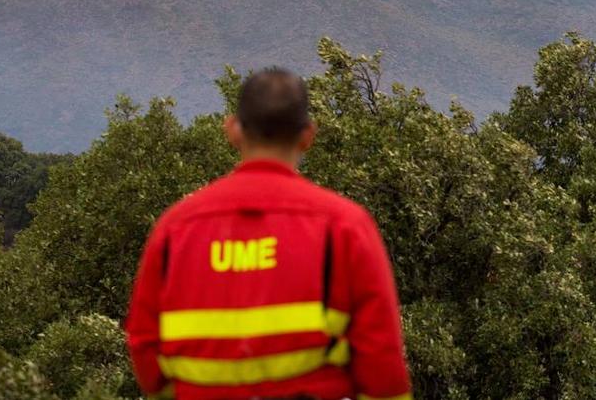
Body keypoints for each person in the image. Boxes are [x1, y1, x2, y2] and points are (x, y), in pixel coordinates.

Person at [125, 68, 411, 400]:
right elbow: (381, 359)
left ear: (232, 130)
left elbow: (143, 341)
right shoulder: (344, 226)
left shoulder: (176, 227)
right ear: (307, 135)